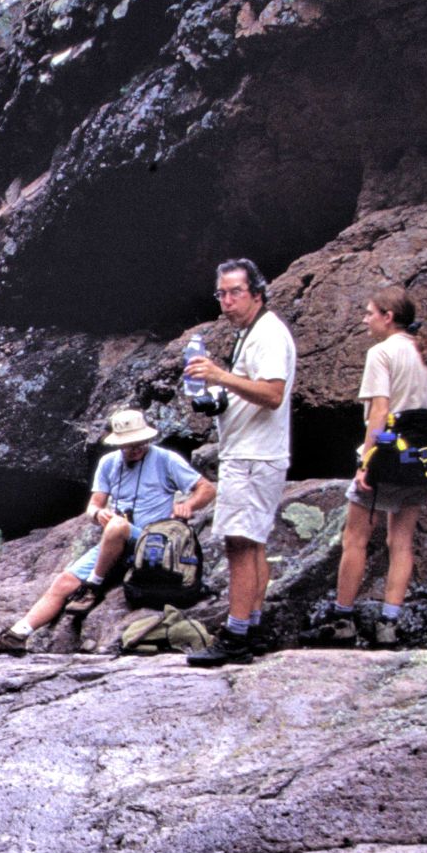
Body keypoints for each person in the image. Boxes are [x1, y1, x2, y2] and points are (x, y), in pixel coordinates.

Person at [0, 408, 213, 653]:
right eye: (130, 444)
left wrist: (187, 505)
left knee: (118, 525)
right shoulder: (108, 464)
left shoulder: (165, 459)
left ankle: (93, 586)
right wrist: (98, 514)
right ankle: (17, 635)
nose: (137, 447)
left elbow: (206, 489)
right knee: (64, 581)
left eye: (141, 442)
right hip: (116, 542)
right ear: (120, 444)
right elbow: (94, 506)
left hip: (153, 543)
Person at [322, 285, 427, 646]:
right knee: (402, 542)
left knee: (355, 538)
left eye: (369, 313)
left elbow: (379, 411)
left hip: (386, 459)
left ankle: (343, 620)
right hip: (418, 462)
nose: (365, 319)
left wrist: (366, 462)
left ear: (388, 317)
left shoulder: (381, 353)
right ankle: (389, 624)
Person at [183, 257, 295, 666]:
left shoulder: (268, 334)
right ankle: (253, 625)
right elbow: (251, 392)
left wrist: (219, 376)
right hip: (251, 450)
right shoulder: (250, 333)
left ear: (257, 294)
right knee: (253, 543)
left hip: (253, 456)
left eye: (236, 293)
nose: (227, 302)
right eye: (222, 293)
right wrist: (218, 399)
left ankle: (235, 635)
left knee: (239, 545)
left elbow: (272, 394)